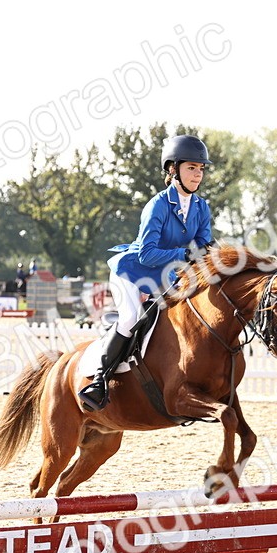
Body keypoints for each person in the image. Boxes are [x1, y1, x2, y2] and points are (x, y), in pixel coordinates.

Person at [78, 135, 213, 412]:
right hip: (133, 272)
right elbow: (146, 254)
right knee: (132, 318)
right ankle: (99, 381)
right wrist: (183, 255)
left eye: (201, 169)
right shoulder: (158, 205)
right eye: (191, 168)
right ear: (173, 170)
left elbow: (203, 246)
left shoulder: (201, 208)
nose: (197, 174)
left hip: (167, 277)